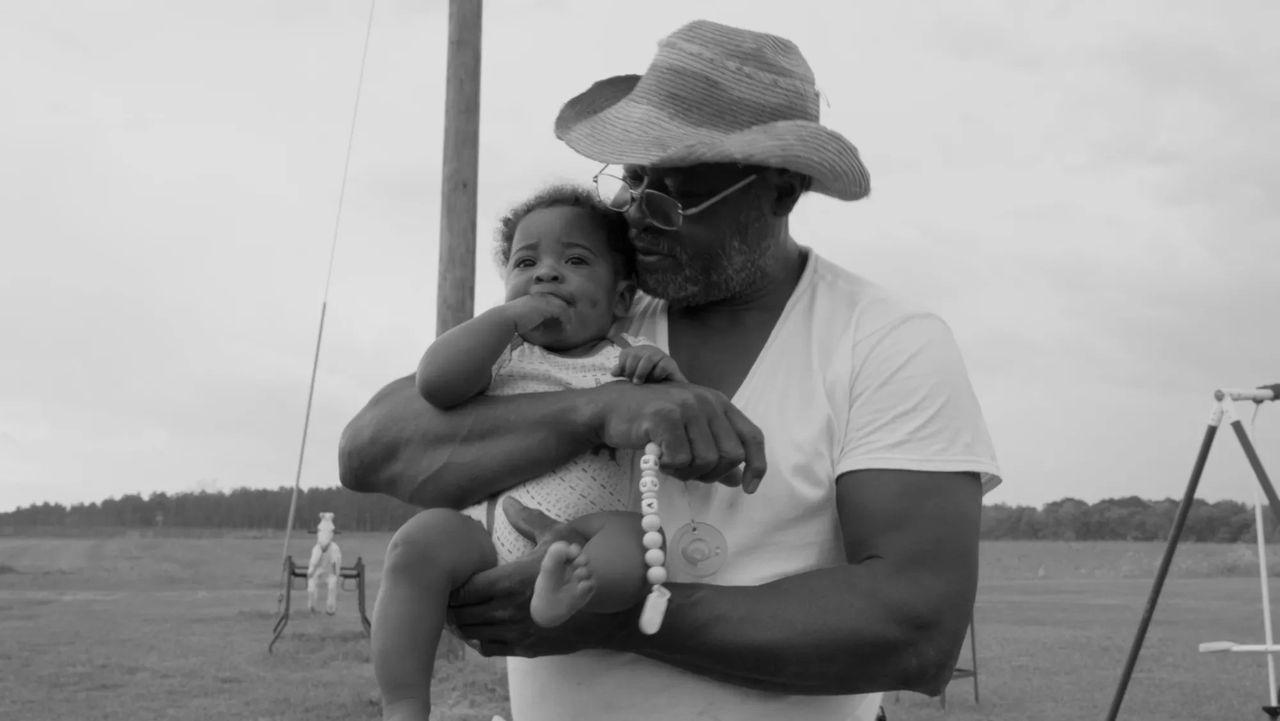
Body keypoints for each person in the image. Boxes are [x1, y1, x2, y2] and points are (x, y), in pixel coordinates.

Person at [340, 19, 1001, 721]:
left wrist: (619, 616)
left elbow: (918, 627)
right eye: (632, 180)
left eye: (672, 194)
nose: (633, 217)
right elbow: (373, 448)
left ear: (780, 189)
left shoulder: (885, 341)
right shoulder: (597, 310)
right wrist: (597, 411)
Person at [373, 185, 699, 721]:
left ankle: (564, 597)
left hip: (588, 537)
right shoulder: (502, 359)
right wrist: (504, 322)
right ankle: (404, 704)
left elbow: (683, 431)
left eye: (574, 260)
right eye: (526, 262)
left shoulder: (629, 360)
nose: (546, 273)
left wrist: (668, 381)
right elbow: (435, 382)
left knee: (635, 543)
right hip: (485, 536)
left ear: (620, 300)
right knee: (417, 543)